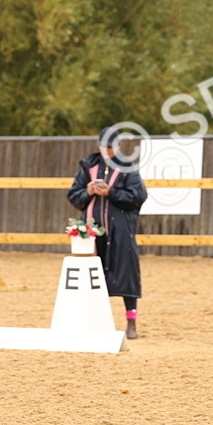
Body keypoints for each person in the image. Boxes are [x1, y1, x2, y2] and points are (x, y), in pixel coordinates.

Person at [68, 127, 148, 339]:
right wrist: (89, 191)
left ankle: (131, 322)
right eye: (104, 146)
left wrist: (110, 193)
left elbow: (138, 196)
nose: (107, 151)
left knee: (126, 275)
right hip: (92, 232)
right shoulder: (89, 166)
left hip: (120, 232)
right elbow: (73, 196)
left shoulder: (128, 168)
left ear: (119, 146)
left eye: (111, 147)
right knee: (92, 278)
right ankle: (95, 321)